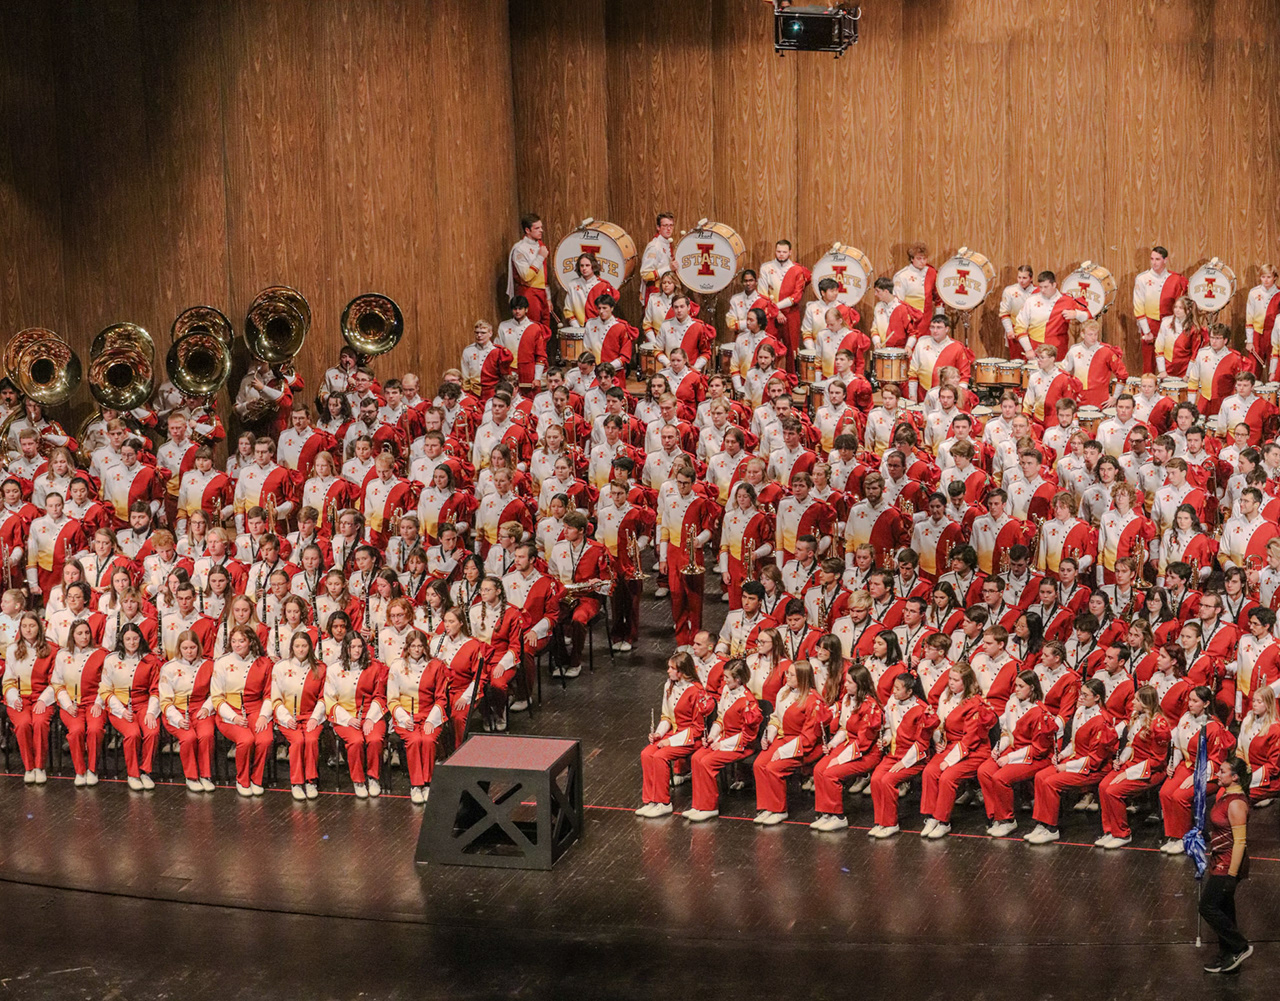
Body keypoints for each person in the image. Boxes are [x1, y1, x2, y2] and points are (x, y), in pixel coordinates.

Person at [1024, 678, 1118, 844]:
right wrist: (1061, 754)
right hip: (1076, 760)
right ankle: (1042, 823)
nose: (1080, 697)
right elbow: (1073, 743)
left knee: (1051, 782)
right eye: (1080, 693)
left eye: (1085, 694)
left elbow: (1095, 760)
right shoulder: (1081, 711)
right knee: (1040, 777)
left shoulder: (1102, 721)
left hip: (1093, 767)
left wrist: (1066, 766)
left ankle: (1051, 828)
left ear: (1097, 698)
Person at [919, 663, 998, 839]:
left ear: (967, 682)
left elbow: (970, 739)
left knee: (947, 777)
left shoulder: (974, 704)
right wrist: (939, 740)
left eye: (956, 680)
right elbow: (939, 722)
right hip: (950, 746)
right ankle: (931, 816)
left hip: (973, 750)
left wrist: (948, 761)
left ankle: (943, 821)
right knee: (930, 772)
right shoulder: (945, 696)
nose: (951, 683)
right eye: (950, 679)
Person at [978, 670, 1058, 837]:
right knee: (984, 771)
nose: (1016, 689)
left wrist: (1009, 758)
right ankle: (996, 816)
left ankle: (1008, 820)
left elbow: (1038, 749)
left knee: (1001, 777)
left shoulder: (1040, 713)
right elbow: (1007, 731)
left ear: (1032, 687)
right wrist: (998, 748)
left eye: (1021, 686)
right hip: (1014, 749)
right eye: (1016, 685)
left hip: (1035, 756)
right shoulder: (1012, 702)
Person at [1158, 685, 1236, 853]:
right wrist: (1172, 764)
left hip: (1208, 774)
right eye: (1189, 700)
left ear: (1206, 703)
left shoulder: (1214, 727)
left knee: (1179, 796)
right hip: (1186, 766)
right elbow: (1177, 746)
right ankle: (1174, 835)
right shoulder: (1185, 717)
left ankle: (1186, 838)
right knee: (1165, 793)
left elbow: (1216, 761)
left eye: (1195, 701)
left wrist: (1196, 777)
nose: (1190, 704)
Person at [683, 659, 763, 822]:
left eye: (727, 677)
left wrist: (722, 744)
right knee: (698, 758)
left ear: (738, 679)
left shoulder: (748, 702)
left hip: (741, 745)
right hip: (724, 739)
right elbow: (720, 718)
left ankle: (709, 807)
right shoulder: (726, 690)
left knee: (707, 762)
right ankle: (698, 804)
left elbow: (747, 736)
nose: (724, 681)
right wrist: (712, 736)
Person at [752, 659, 827, 826]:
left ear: (802, 678)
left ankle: (779, 810)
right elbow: (776, 719)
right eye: (787, 673)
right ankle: (767, 807)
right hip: (784, 738)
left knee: (773, 767)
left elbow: (808, 738)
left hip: (803, 745)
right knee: (759, 764)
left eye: (791, 674)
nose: (787, 677)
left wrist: (783, 752)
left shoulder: (813, 701)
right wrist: (768, 736)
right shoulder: (784, 691)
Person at [1095, 684, 1171, 848]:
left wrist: (1128, 773)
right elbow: (1131, 744)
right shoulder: (1137, 716)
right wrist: (1121, 760)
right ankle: (1110, 830)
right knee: (1103, 786)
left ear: (1145, 702)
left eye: (1136, 699)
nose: (1132, 702)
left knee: (1114, 791)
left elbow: (1157, 761)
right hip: (1132, 764)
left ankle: (1122, 834)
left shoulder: (1159, 726)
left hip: (1150, 770)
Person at [810, 665, 884, 831]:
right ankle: (826, 812)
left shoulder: (871, 708)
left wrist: (838, 759)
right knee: (819, 769)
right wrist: (832, 744)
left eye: (850, 682)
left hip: (866, 753)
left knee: (830, 773)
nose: (846, 685)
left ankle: (838, 816)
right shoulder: (847, 699)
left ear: (860, 683)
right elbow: (845, 728)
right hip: (848, 745)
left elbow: (864, 742)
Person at [636, 652, 709, 818]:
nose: (668, 671)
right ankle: (651, 800)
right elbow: (666, 716)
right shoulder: (668, 685)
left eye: (672, 668)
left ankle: (663, 802)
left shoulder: (696, 692)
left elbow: (697, 729)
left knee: (660, 756)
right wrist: (658, 734)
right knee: (646, 753)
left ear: (681, 671)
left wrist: (669, 741)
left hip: (690, 738)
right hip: (672, 734)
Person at [1199, 756, 1254, 974]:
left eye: (1222, 771)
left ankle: (1240, 946)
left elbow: (1240, 842)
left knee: (1207, 906)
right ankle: (1227, 954)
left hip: (1229, 863)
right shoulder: (1225, 795)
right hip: (1219, 859)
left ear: (1235, 776)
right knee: (1224, 908)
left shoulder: (1237, 803)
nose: (1217, 774)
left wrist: (1232, 876)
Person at [868, 671, 937, 838]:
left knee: (888, 780)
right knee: (876, 779)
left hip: (914, 758)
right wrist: (884, 740)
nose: (894, 691)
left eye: (898, 689)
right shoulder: (892, 701)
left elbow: (922, 742)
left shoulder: (920, 710)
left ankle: (891, 823)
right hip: (893, 754)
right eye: (894, 687)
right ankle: (881, 821)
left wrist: (904, 763)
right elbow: (888, 728)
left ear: (910, 691)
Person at [210, 624, 275, 797]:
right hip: (229, 711)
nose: (237, 645)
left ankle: (256, 779)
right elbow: (217, 697)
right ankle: (242, 779)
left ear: (251, 642)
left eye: (241, 641)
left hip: (256, 709)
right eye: (234, 641)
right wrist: (233, 717)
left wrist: (263, 716)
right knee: (246, 740)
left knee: (265, 739)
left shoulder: (264, 663)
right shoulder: (222, 662)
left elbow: (269, 694)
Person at [387, 628, 449, 805]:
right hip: (405, 716)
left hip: (430, 715)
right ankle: (416, 785)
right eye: (413, 646)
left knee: (428, 740)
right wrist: (403, 717)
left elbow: (441, 698)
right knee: (414, 740)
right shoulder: (397, 666)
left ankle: (427, 783)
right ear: (407, 647)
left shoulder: (436, 666)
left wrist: (431, 720)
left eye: (420, 646)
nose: (416, 649)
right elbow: (391, 698)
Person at [324, 632, 388, 798]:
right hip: (344, 717)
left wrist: (370, 719)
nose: (357, 650)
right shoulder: (333, 669)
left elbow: (380, 696)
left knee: (374, 739)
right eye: (353, 646)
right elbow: (329, 699)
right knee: (356, 741)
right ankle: (358, 780)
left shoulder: (374, 667)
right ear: (346, 648)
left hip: (371, 714)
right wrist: (348, 719)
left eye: (360, 646)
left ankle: (373, 777)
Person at [100, 622, 162, 792]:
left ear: (140, 639)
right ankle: (133, 774)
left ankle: (145, 771)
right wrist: (120, 711)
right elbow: (105, 689)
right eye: (128, 639)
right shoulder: (111, 659)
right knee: (132, 733)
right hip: (119, 705)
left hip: (143, 704)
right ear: (122, 640)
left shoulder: (150, 660)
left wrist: (151, 712)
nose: (132, 642)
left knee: (152, 731)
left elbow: (156, 689)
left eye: (135, 638)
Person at [46, 619, 107, 787]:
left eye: (87, 633)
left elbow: (107, 683)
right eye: (80, 633)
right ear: (72, 635)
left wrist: (98, 703)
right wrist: (67, 705)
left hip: (94, 702)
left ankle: (92, 769)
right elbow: (57, 683)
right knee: (76, 730)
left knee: (95, 729)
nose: (84, 636)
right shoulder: (62, 655)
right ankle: (80, 771)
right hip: (71, 703)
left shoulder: (101, 654)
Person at [271, 631, 327, 801]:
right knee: (297, 741)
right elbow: (275, 697)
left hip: (311, 717)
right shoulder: (280, 667)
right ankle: (296, 782)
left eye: (304, 645)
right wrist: (286, 718)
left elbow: (324, 697)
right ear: (292, 648)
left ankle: (311, 780)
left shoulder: (320, 668)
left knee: (310, 740)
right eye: (297, 646)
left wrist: (314, 718)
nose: (301, 649)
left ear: (310, 647)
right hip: (288, 717)